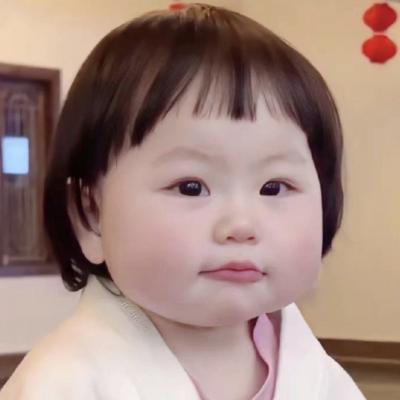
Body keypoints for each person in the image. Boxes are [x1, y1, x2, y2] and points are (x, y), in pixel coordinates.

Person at [0, 3, 366, 399]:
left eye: (274, 187)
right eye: (191, 187)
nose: (241, 225)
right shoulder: (63, 381)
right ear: (91, 214)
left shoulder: (313, 369)